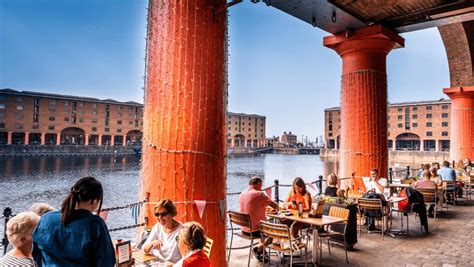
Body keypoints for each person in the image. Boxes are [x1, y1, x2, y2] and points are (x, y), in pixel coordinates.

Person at [33, 176, 115, 267]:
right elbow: (106, 262)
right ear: (94, 201)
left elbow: (36, 254)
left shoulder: (46, 218)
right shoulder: (95, 225)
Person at [238, 176, 279, 262]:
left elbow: (253, 207)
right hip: (254, 230)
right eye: (261, 185)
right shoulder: (259, 194)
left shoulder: (242, 194)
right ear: (258, 183)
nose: (261, 187)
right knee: (275, 233)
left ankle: (262, 253)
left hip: (244, 230)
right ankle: (258, 248)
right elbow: (275, 206)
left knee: (262, 226)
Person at [143, 199, 183, 264]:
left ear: (171, 213)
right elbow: (145, 249)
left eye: (163, 214)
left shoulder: (182, 231)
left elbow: (185, 257)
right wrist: (153, 243)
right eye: (157, 214)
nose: (160, 217)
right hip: (157, 263)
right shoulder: (158, 227)